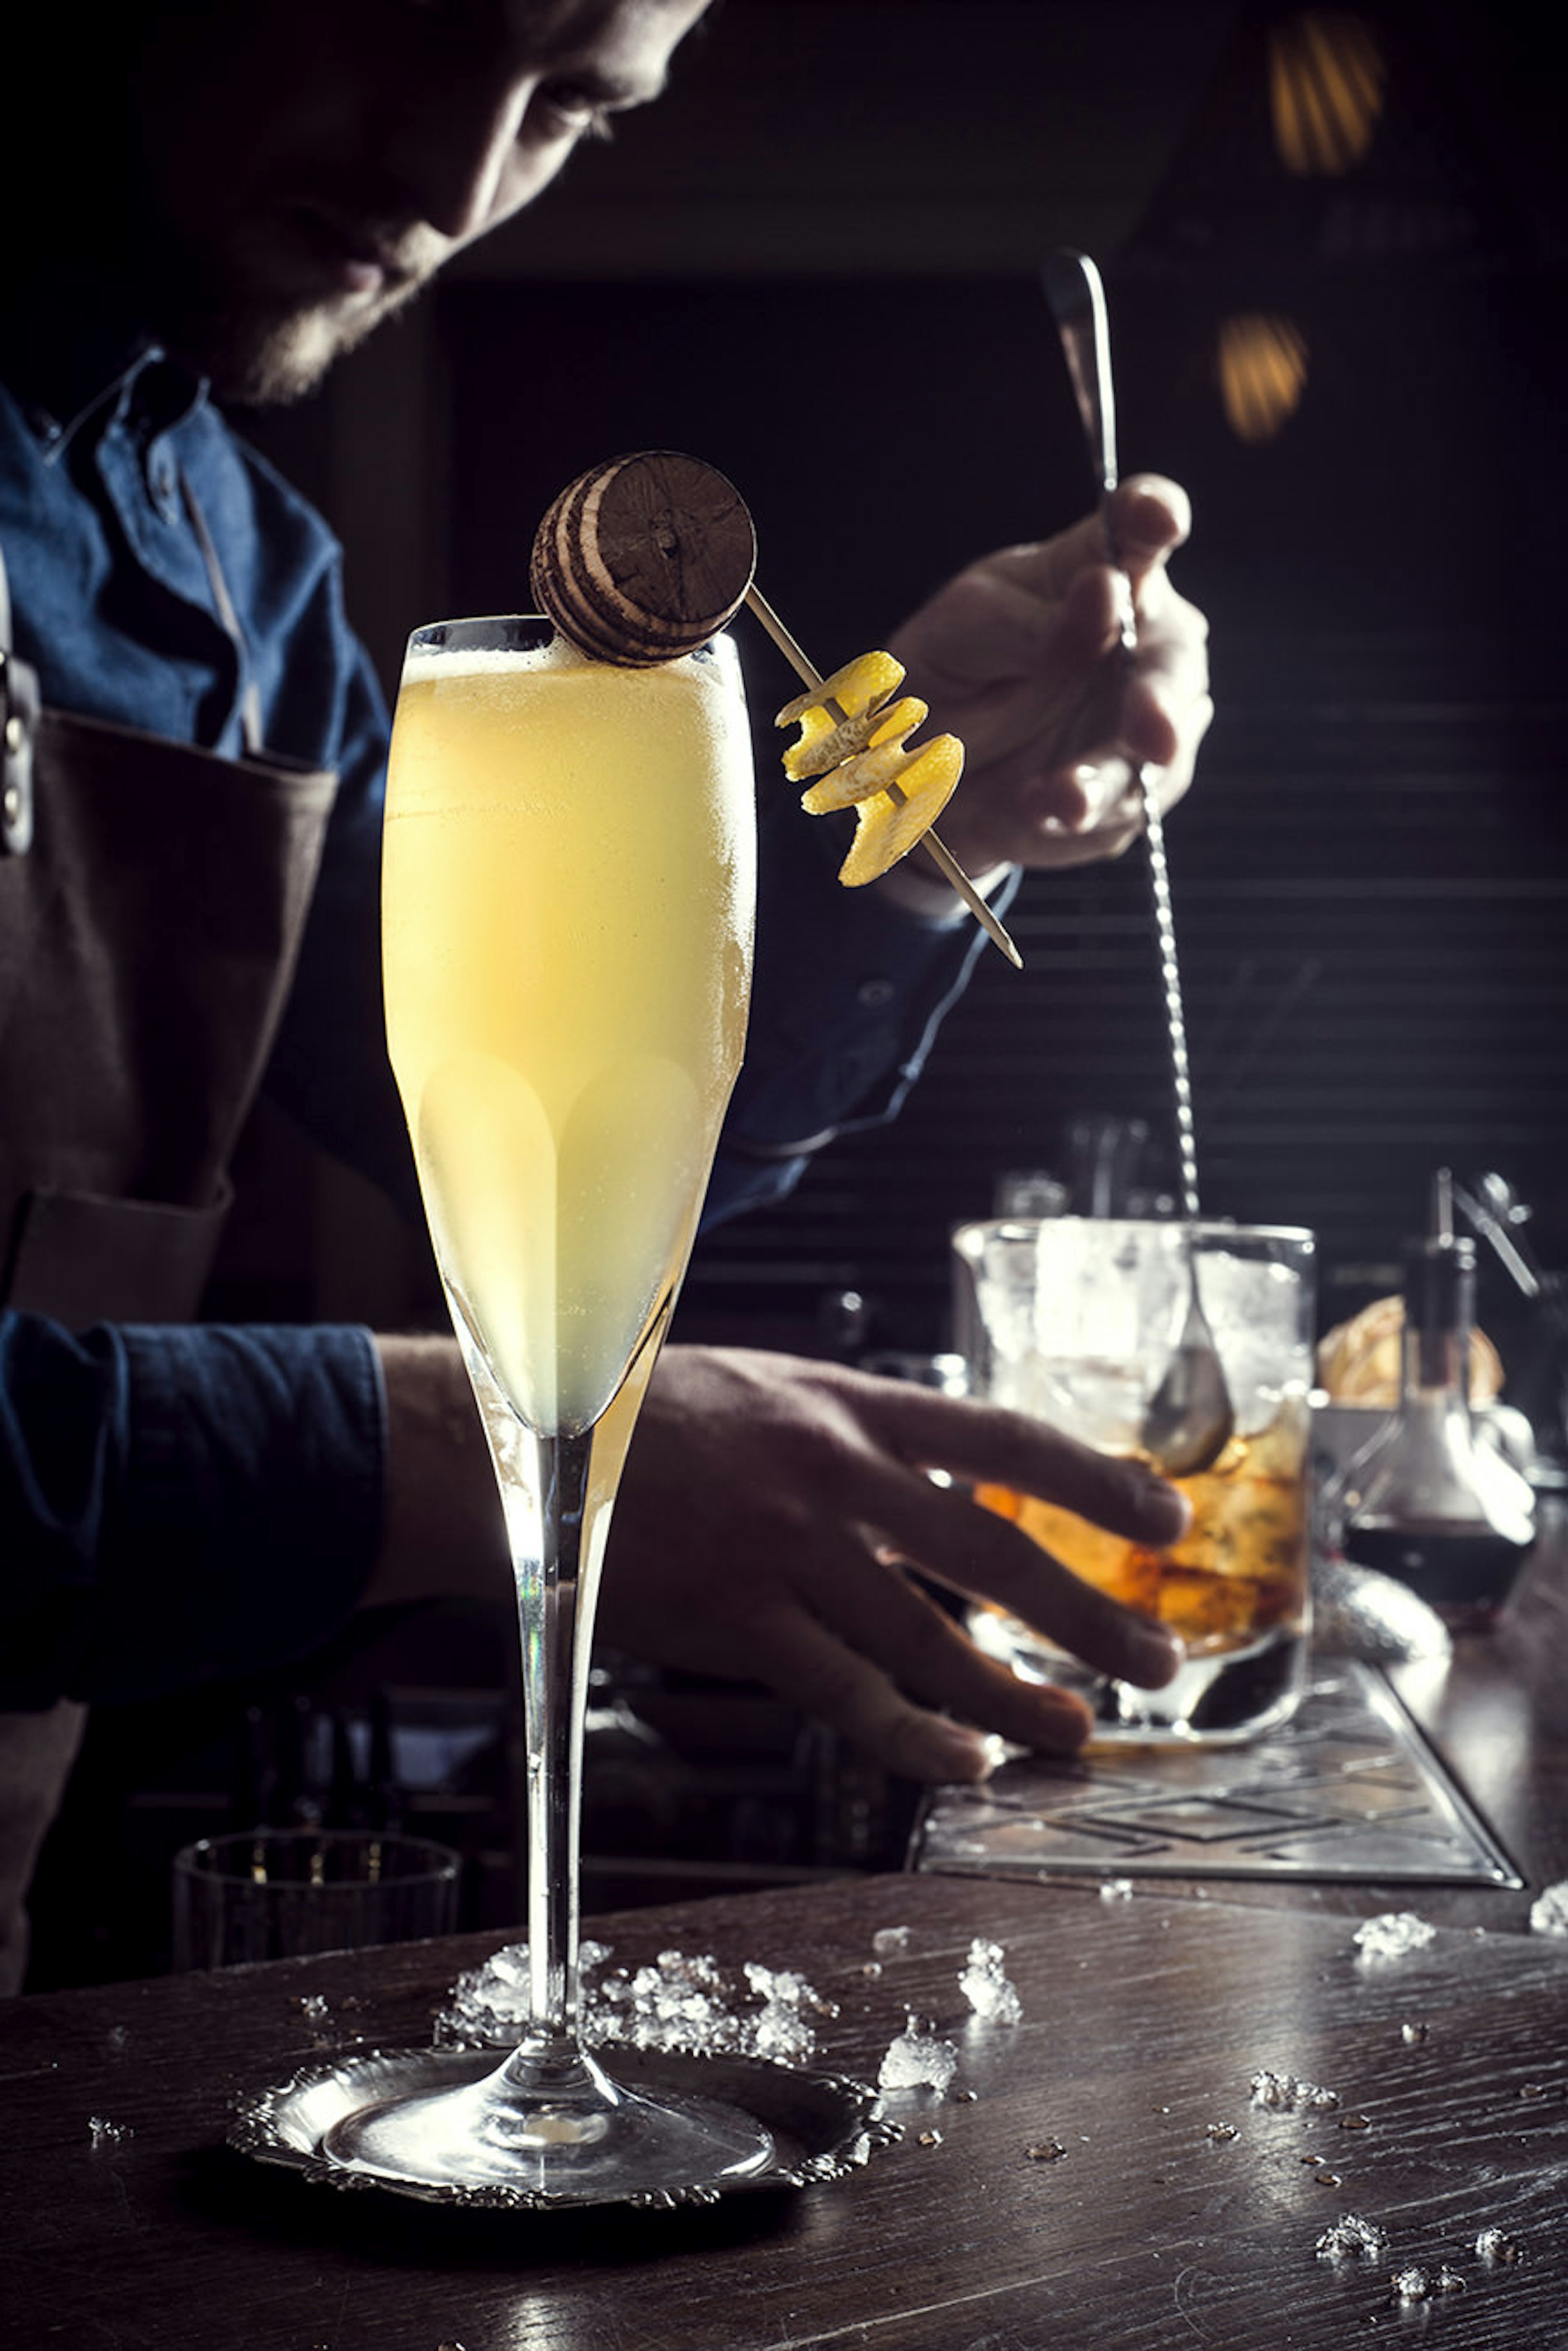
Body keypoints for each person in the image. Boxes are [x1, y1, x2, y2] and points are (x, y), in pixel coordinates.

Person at [0, 0, 1211, 1987]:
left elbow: (550, 1127)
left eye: (575, 106)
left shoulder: (246, 577)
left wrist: (921, 828)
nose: (459, 182)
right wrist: (456, 1458)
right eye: (399, 24)